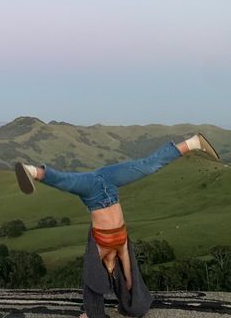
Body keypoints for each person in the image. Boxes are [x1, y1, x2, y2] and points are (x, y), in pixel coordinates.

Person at [15, 133, 220, 318]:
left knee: (142, 166)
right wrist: (129, 290)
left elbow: (92, 280)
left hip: (95, 192)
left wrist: (90, 313)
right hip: (109, 188)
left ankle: (32, 171)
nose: (112, 270)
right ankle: (192, 143)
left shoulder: (101, 251)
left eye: (110, 272)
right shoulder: (121, 248)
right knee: (147, 167)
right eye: (114, 272)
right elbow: (129, 273)